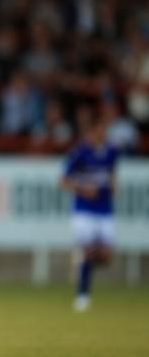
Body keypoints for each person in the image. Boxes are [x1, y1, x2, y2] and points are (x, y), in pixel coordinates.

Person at [60, 114, 119, 312]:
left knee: (107, 256)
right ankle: (83, 295)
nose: (105, 133)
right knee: (89, 251)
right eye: (101, 130)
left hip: (105, 208)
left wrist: (114, 185)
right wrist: (83, 189)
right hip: (84, 210)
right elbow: (63, 181)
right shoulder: (80, 152)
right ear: (92, 131)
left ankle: (81, 263)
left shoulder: (111, 152)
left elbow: (111, 174)